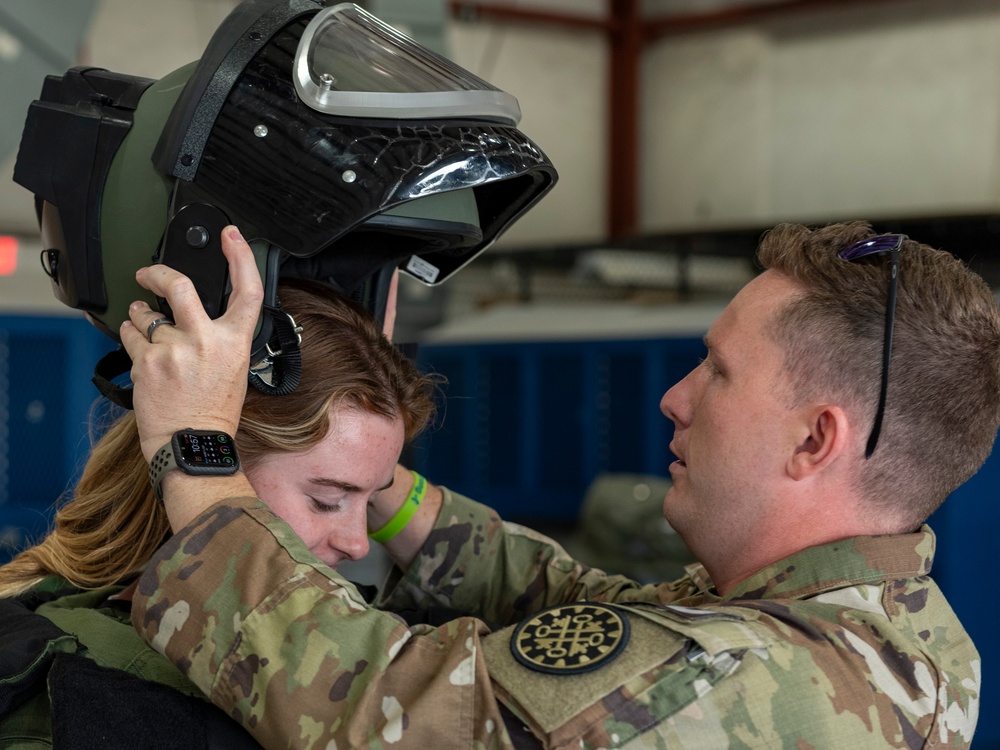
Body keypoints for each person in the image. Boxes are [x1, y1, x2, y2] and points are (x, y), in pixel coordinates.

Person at [125, 221, 997, 748]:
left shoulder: (751, 677)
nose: (674, 397)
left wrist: (196, 454)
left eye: (719, 372)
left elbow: (380, 716)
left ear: (816, 439)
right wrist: (368, 457)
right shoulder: (894, 631)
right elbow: (577, 606)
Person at [0, 272, 438, 748]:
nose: (357, 543)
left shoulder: (46, 624)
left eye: (370, 501)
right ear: (221, 466)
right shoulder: (94, 697)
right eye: (328, 500)